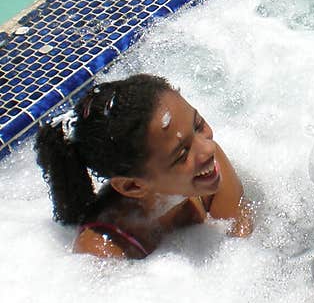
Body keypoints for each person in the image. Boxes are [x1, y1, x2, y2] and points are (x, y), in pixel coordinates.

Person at [35, 73, 252, 259]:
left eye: (197, 124)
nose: (207, 148)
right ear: (132, 186)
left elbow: (243, 238)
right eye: (182, 153)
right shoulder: (103, 250)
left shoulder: (206, 163)